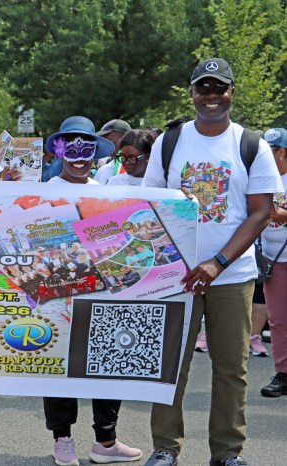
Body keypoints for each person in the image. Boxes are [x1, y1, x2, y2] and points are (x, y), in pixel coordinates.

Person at [141, 58, 282, 466]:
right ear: (192, 93)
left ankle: (227, 452)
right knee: (169, 367)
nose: (211, 96)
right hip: (175, 277)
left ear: (231, 93)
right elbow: (152, 206)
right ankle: (165, 448)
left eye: (219, 88)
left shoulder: (251, 145)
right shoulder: (170, 142)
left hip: (232, 276)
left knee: (231, 370)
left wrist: (217, 262)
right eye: (203, 88)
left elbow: (260, 212)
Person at [42, 116, 142, 466]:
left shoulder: (108, 193)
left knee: (108, 363)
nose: (79, 156)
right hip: (57, 297)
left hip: (102, 296)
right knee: (59, 369)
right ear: (59, 150)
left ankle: (106, 440)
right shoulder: (43, 192)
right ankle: (63, 439)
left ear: (96, 153)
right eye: (71, 147)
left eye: (86, 147)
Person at [259, 127, 287, 396]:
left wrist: (284, 215)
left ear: (282, 152)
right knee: (278, 320)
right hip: (272, 259)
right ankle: (283, 373)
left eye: (270, 152)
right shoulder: (260, 178)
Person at [93, 119, 132, 185]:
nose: (104, 143)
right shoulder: (102, 171)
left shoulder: (139, 169)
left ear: (124, 138)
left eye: (108, 139)